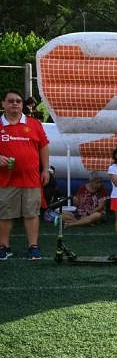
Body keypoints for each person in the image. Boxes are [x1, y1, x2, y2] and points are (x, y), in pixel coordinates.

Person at [0, 89, 50, 260]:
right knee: (5, 214)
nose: (15, 103)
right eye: (11, 100)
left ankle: (33, 247)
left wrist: (45, 169)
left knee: (31, 214)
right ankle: (4, 247)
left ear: (22, 104)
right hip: (5, 180)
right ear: (3, 104)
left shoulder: (34, 124)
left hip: (31, 179)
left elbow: (43, 146)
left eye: (18, 101)